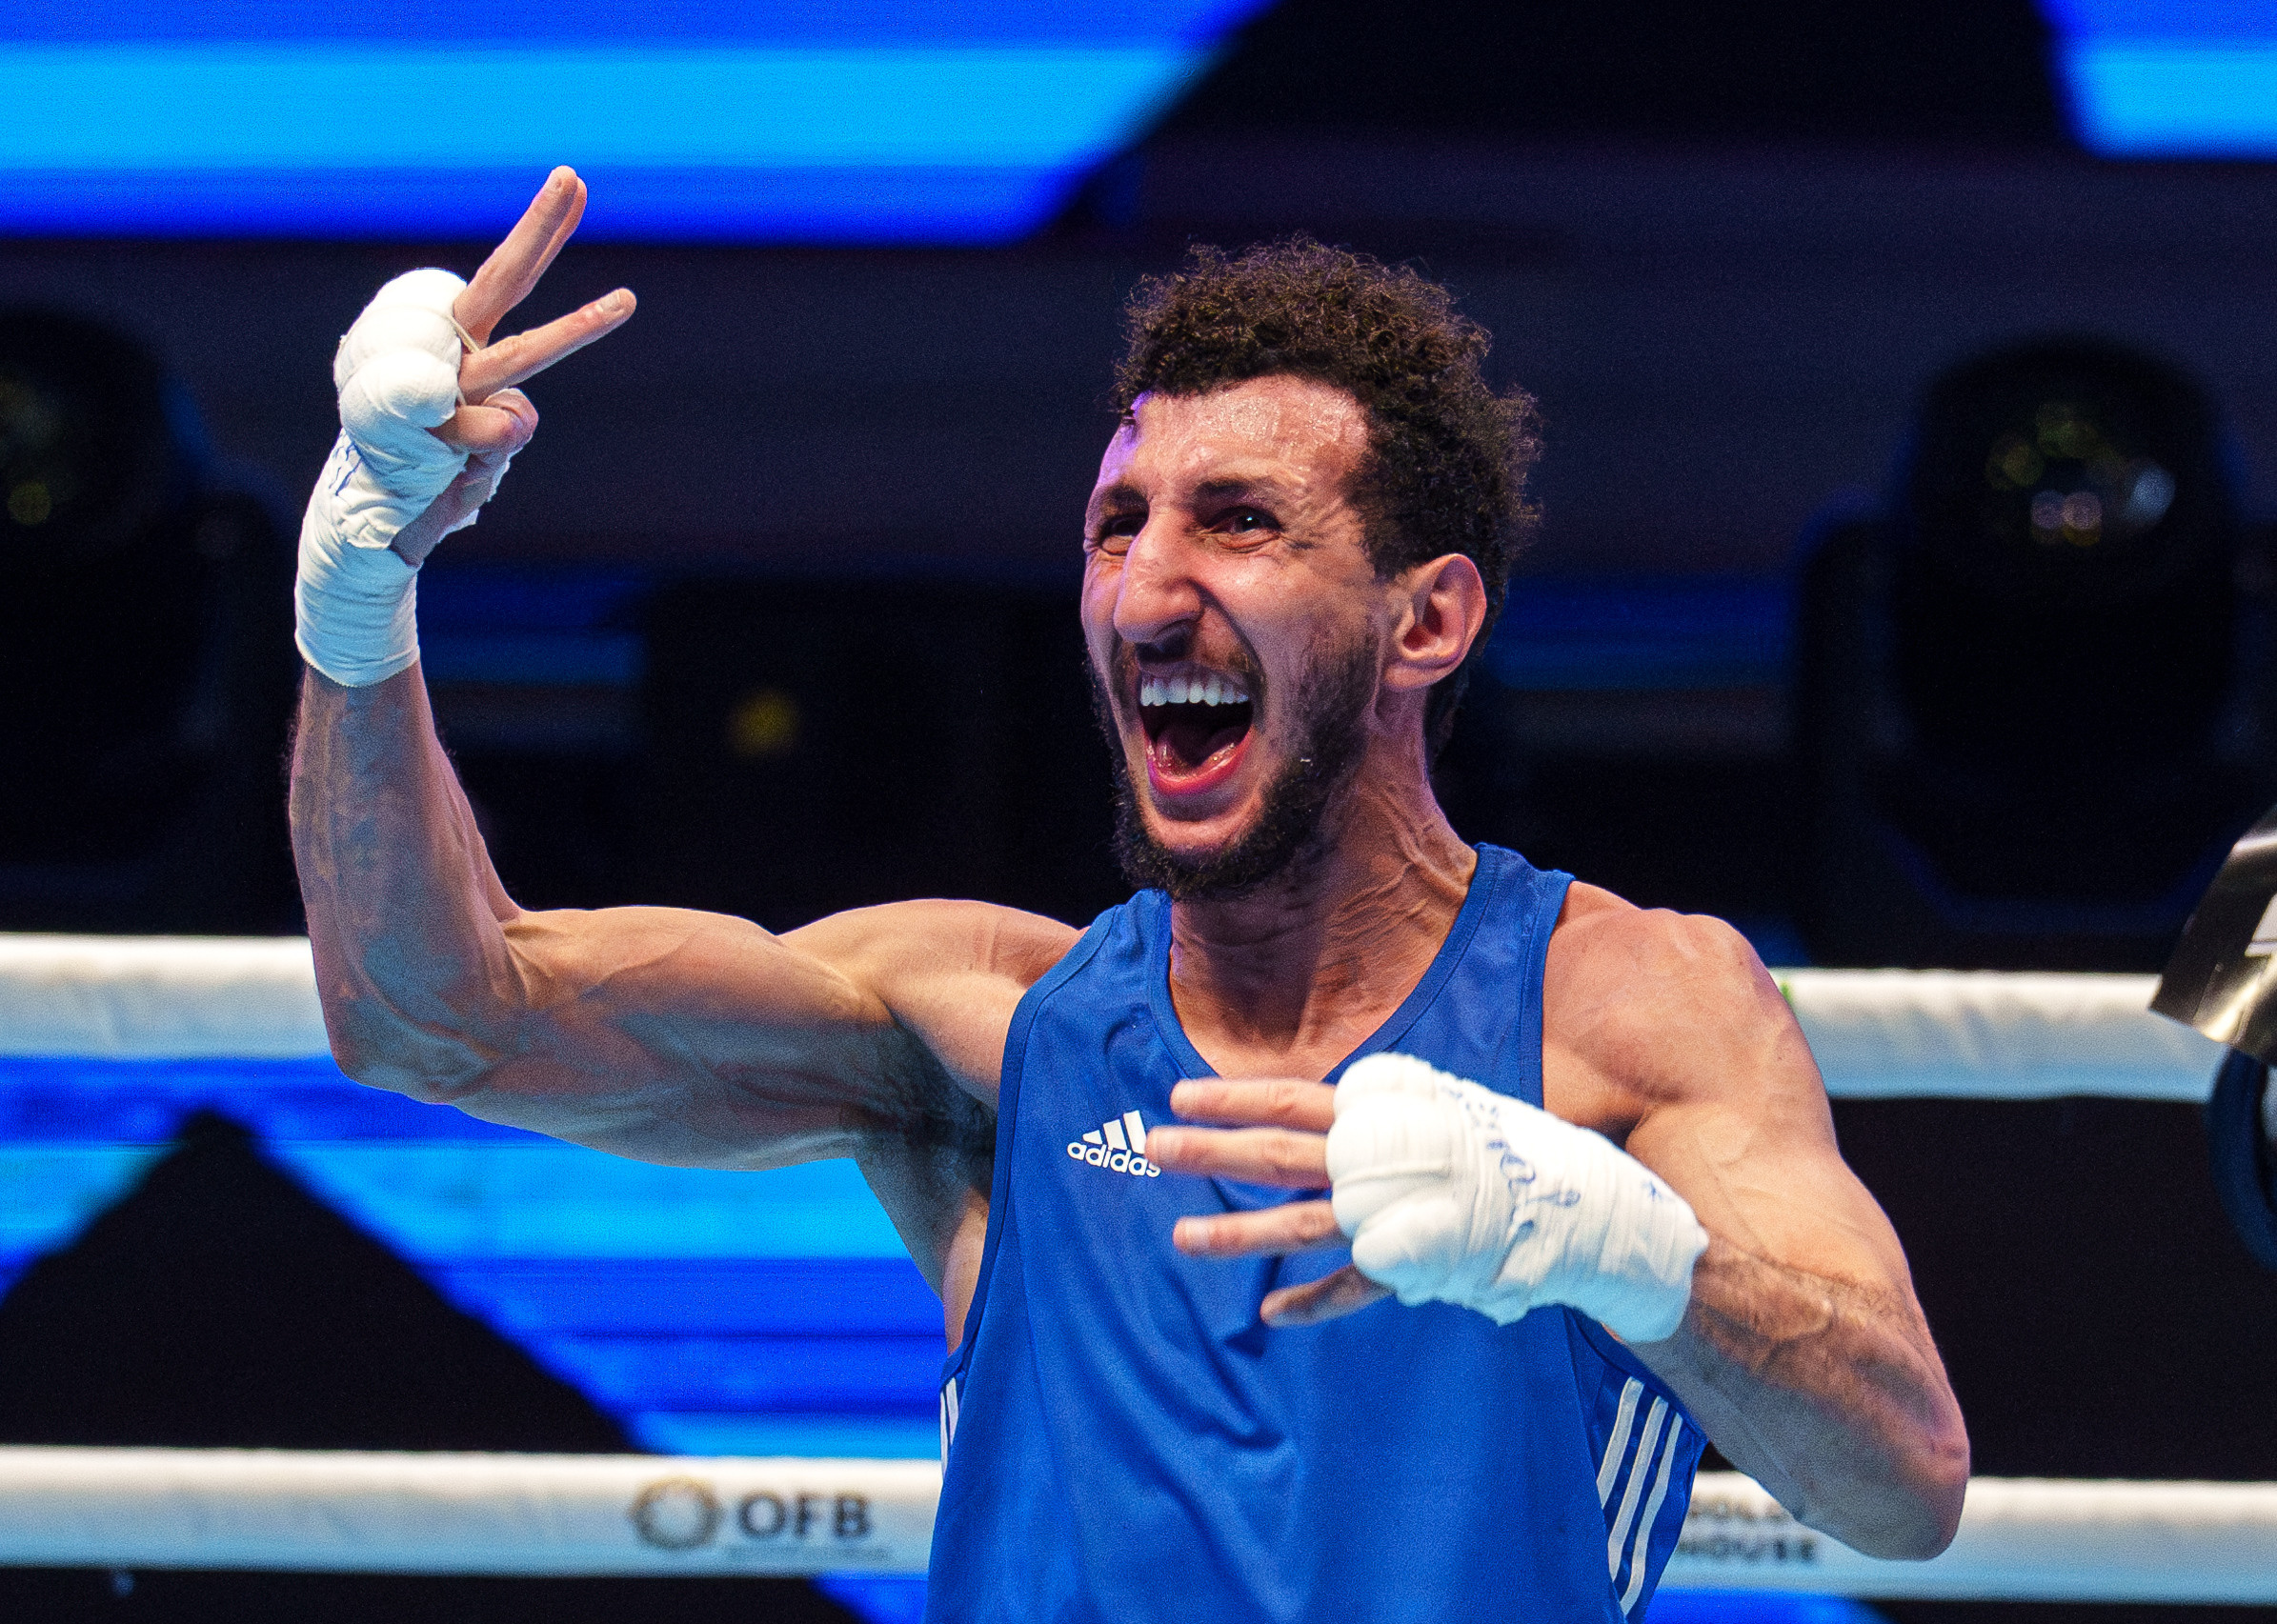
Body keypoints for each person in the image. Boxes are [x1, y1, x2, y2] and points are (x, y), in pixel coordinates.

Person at [290, 170, 1968, 1621]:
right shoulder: (979, 1021)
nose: (1147, 585)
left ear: (1425, 621)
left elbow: (1901, 1478)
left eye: (1237, 522)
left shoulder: (1626, 1003)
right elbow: (431, 1017)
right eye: (1115, 526)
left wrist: (1598, 1237)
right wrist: (362, 576)